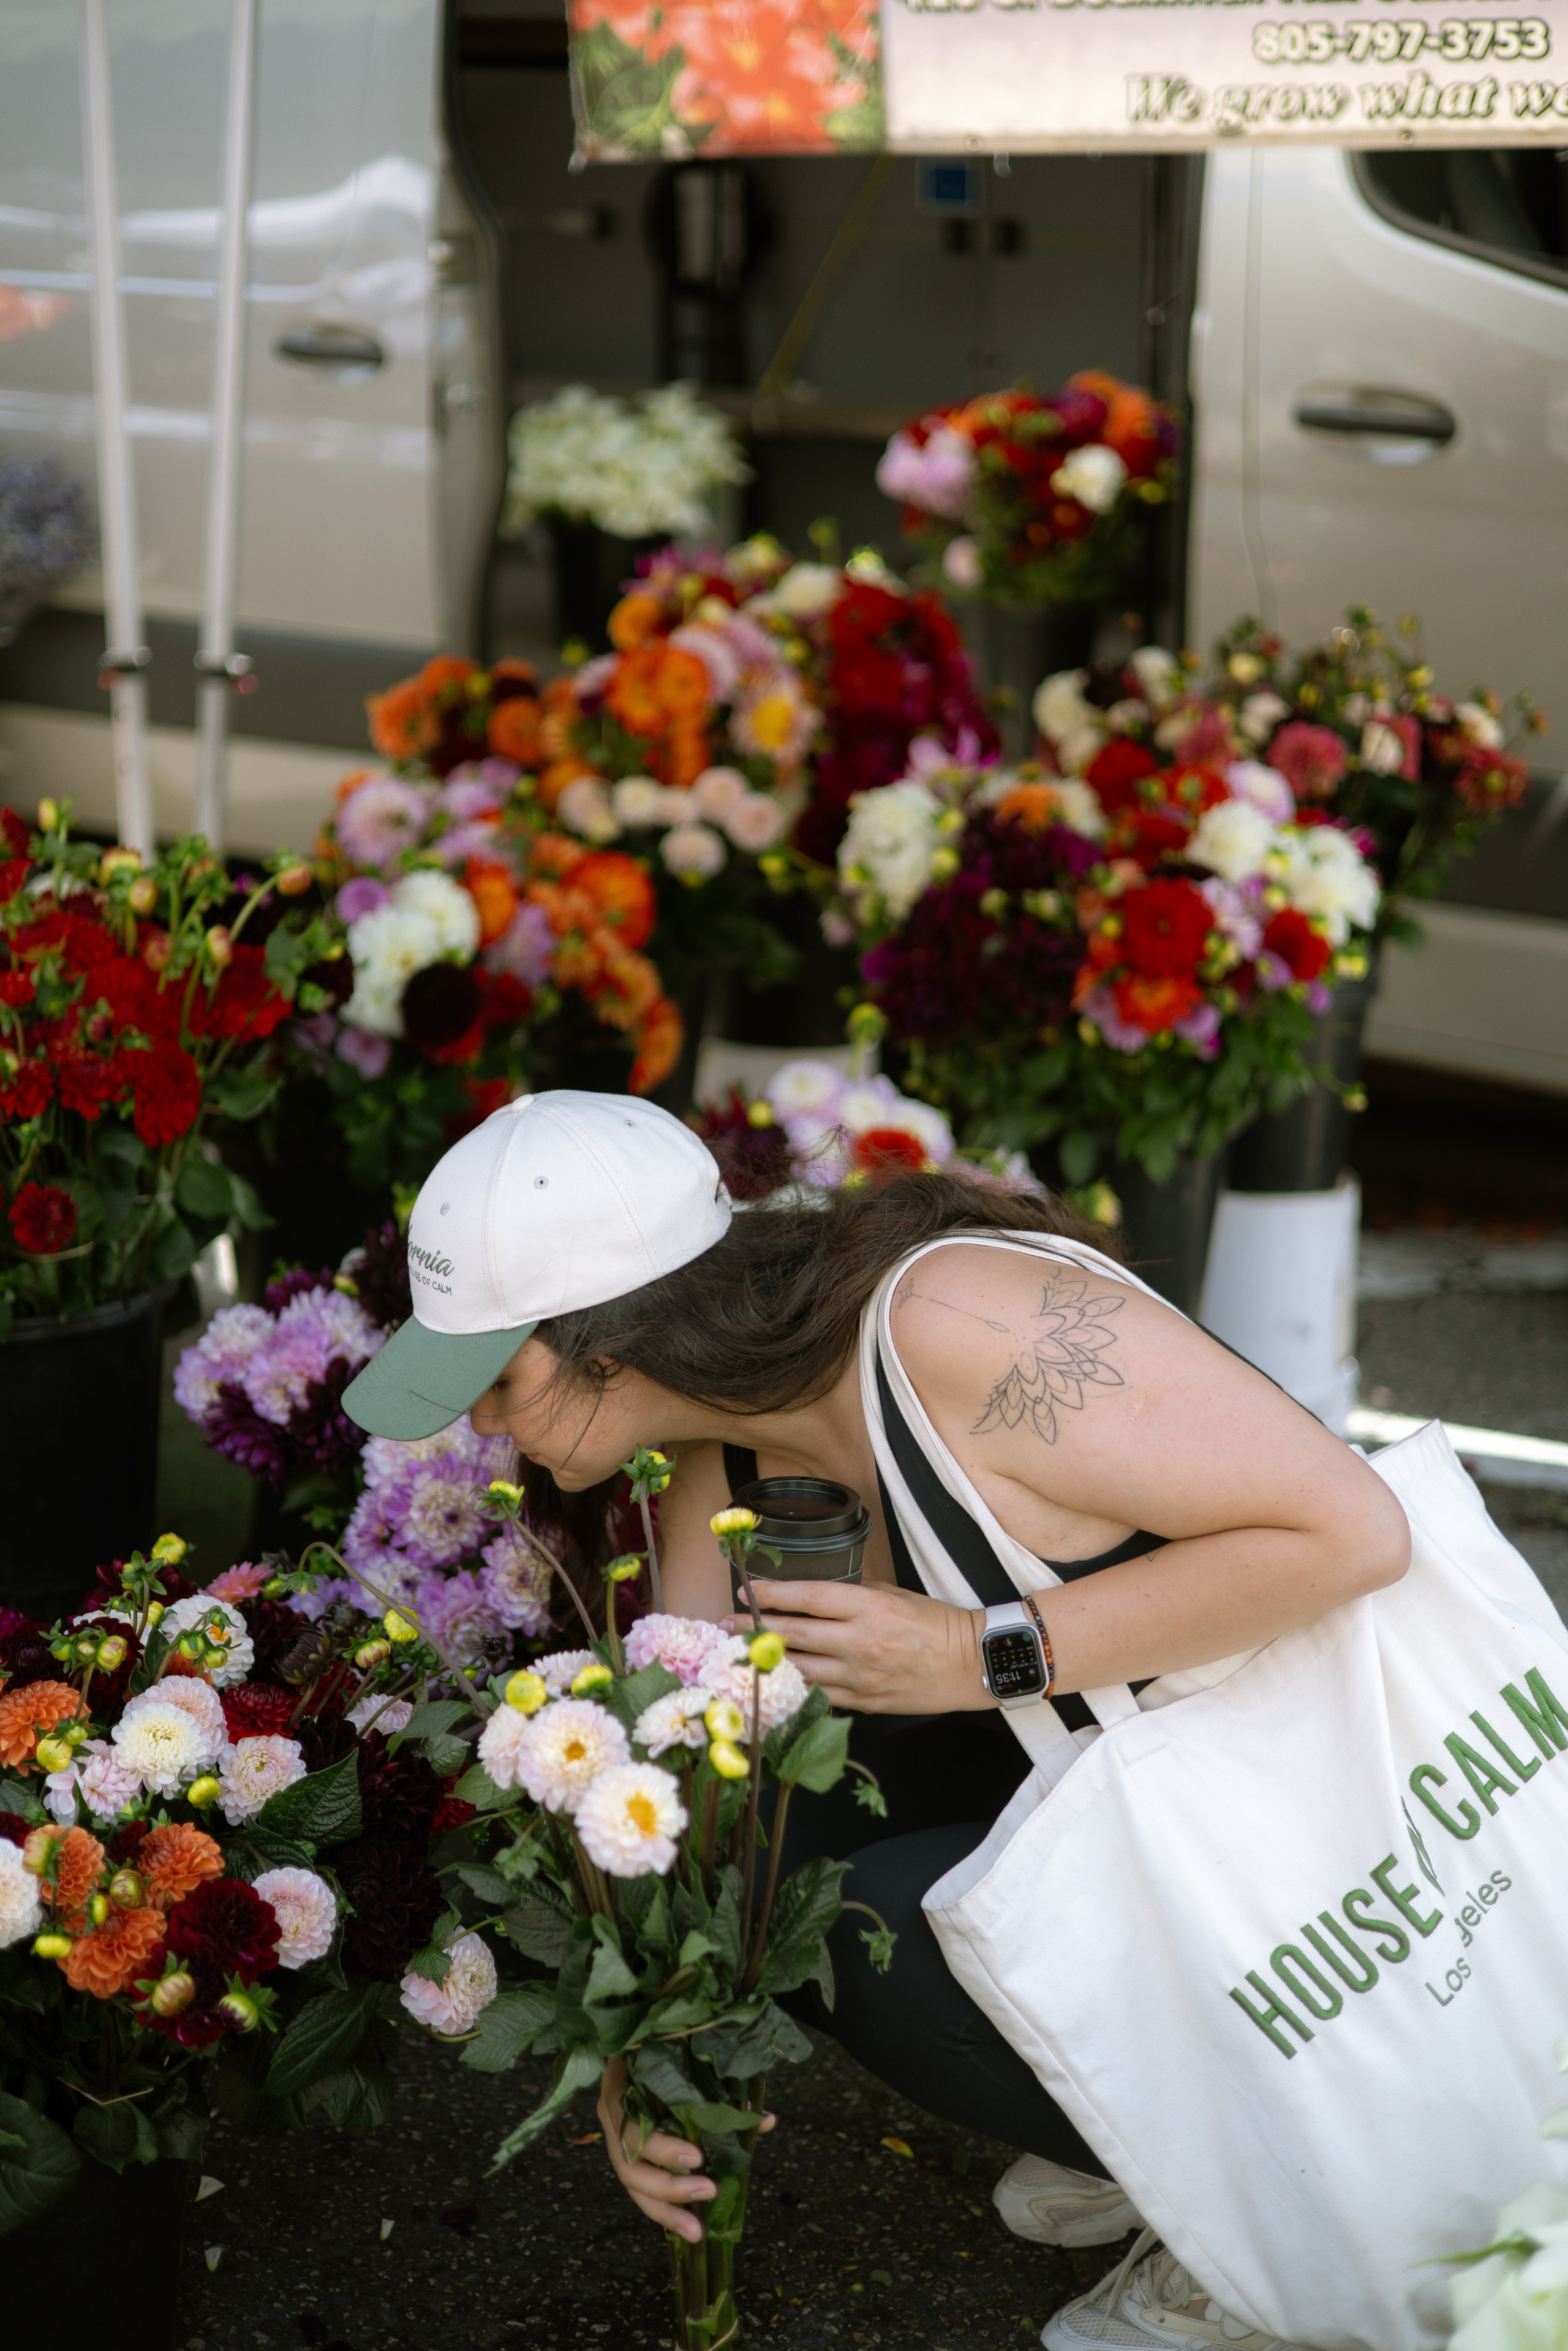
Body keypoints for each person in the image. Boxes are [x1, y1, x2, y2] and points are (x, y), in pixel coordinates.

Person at [344, 1091, 1410, 2351]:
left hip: (1354, 1843)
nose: (479, 1423)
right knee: (772, 1870)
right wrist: (636, 2050)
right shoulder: (713, 1455)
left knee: (866, 1925)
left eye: (497, 1376)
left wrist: (980, 1650)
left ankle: (1269, 2216)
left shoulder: (950, 1325)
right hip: (1184, 1799)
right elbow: (704, 1789)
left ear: (612, 1341)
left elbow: (1353, 1529)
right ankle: (1153, 2132)